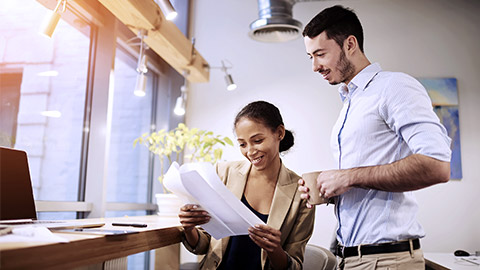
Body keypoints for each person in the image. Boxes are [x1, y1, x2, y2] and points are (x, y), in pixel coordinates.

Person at [298, 5, 452, 270]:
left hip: (386, 261)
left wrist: (348, 177)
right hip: (349, 258)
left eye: (320, 54)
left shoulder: (394, 87)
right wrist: (330, 189)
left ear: (350, 44)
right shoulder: (350, 101)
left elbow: (437, 165)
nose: (314, 66)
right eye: (310, 56)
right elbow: (362, 181)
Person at [179, 101, 315, 270]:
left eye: (257, 140)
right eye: (242, 144)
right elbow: (205, 245)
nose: (250, 152)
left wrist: (274, 250)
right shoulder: (223, 173)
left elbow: (294, 266)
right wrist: (189, 228)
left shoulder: (301, 192)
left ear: (279, 133)